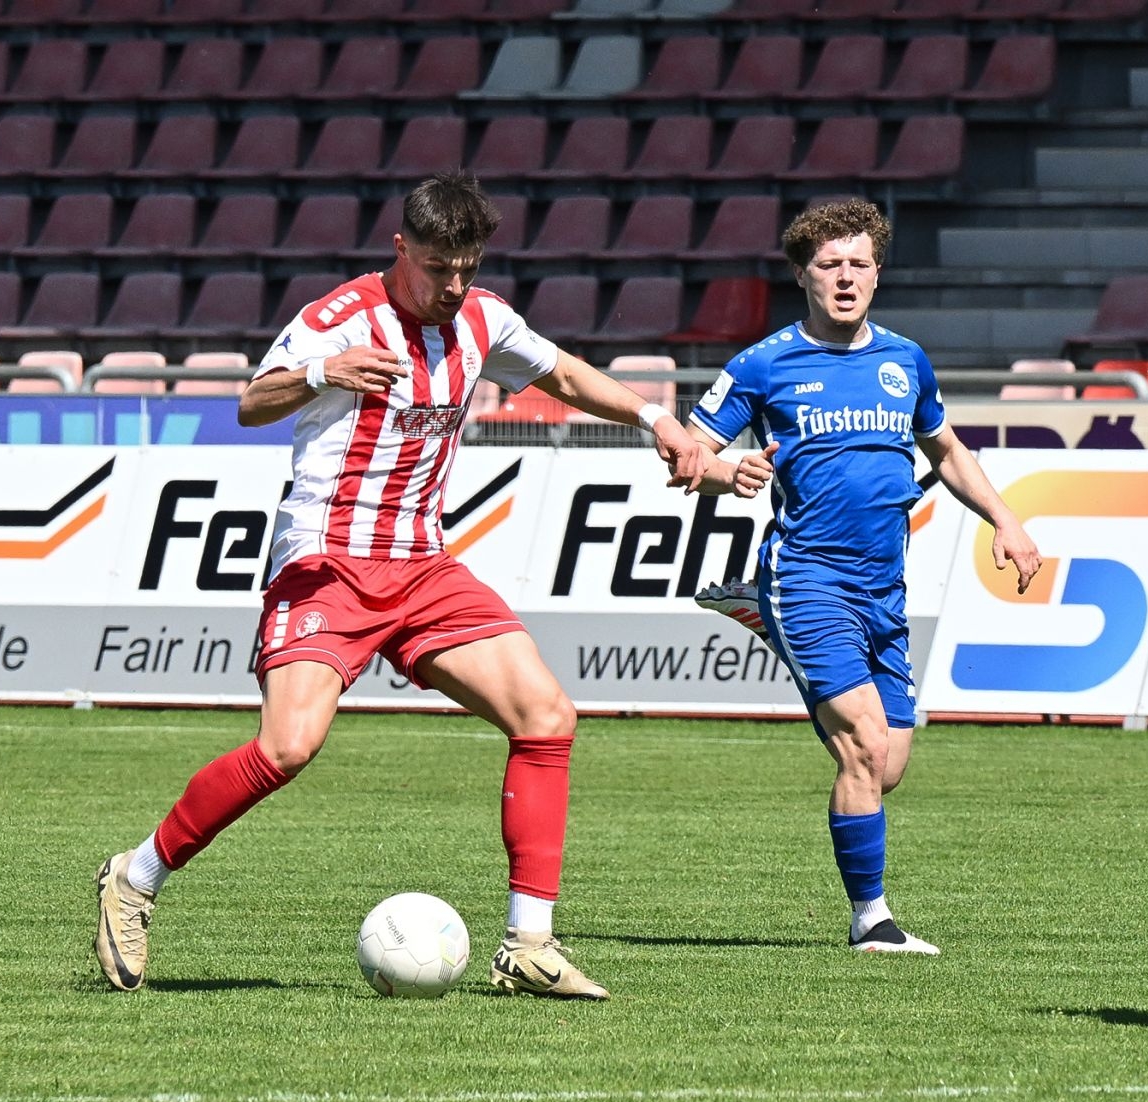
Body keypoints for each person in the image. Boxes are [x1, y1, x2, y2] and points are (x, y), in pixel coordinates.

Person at [93, 172, 728, 1002]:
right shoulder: (340, 317)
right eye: (437, 267)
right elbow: (252, 402)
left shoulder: (482, 318)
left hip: (424, 565)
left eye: (467, 267)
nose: (453, 284)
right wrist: (324, 371)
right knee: (288, 747)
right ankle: (135, 877)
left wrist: (658, 421)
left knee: (546, 715)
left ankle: (529, 943)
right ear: (402, 249)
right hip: (327, 561)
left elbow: (565, 375)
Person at [683, 198, 1040, 955]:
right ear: (802, 276)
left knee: (890, 765)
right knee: (863, 748)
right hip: (808, 576)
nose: (845, 278)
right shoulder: (764, 364)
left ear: (878, 274)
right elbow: (688, 452)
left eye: (859, 264)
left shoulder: (906, 361)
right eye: (829, 265)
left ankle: (760, 618)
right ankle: (871, 919)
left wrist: (1005, 520)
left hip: (883, 588)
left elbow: (946, 451)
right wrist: (724, 471)